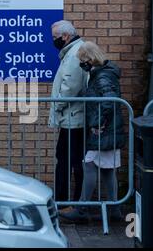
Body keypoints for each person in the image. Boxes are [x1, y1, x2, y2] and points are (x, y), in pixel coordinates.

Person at [59, 41, 125, 222]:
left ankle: (82, 209)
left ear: (90, 58)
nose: (82, 63)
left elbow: (109, 101)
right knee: (107, 171)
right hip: (108, 130)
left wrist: (97, 124)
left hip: (103, 131)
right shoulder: (101, 74)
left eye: (83, 60)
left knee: (89, 165)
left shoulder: (102, 76)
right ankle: (114, 210)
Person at [48, 20, 89, 204]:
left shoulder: (73, 55)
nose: (53, 40)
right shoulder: (72, 52)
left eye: (55, 37)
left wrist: (56, 106)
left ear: (65, 36)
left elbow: (70, 87)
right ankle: (69, 201)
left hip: (73, 118)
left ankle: (67, 202)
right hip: (72, 117)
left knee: (68, 161)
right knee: (69, 160)